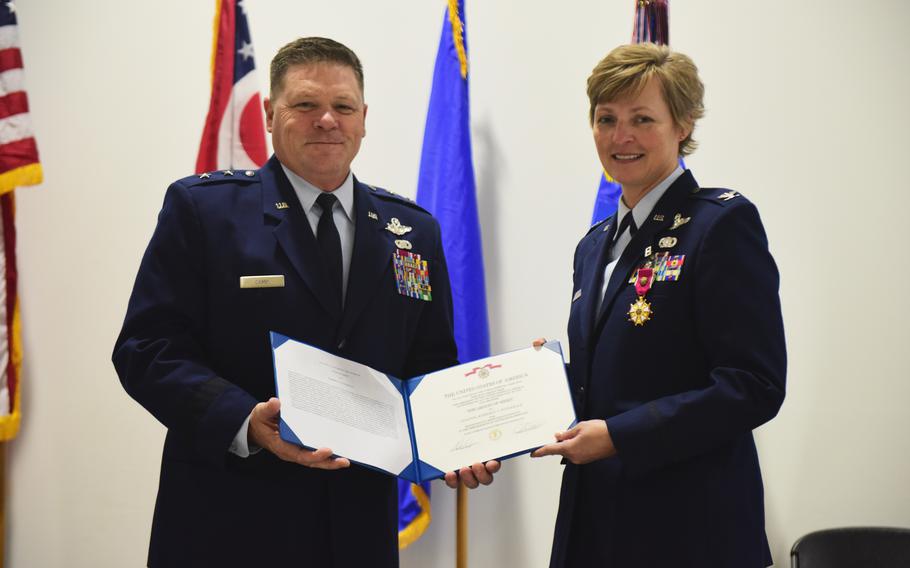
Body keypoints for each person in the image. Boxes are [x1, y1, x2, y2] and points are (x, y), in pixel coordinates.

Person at [113, 37, 494, 568]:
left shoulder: (412, 231)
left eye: (342, 107)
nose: (327, 121)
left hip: (357, 525)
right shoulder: (205, 211)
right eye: (306, 105)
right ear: (271, 114)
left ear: (364, 118)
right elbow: (145, 349)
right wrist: (244, 418)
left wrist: (460, 438)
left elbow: (428, 363)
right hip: (228, 521)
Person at [531, 43, 786, 567]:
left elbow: (753, 386)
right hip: (597, 526)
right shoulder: (594, 243)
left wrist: (619, 436)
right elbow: (625, 374)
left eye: (642, 119)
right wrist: (544, 381)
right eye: (606, 119)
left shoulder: (719, 225)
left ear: (684, 126)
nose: (621, 136)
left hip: (688, 530)